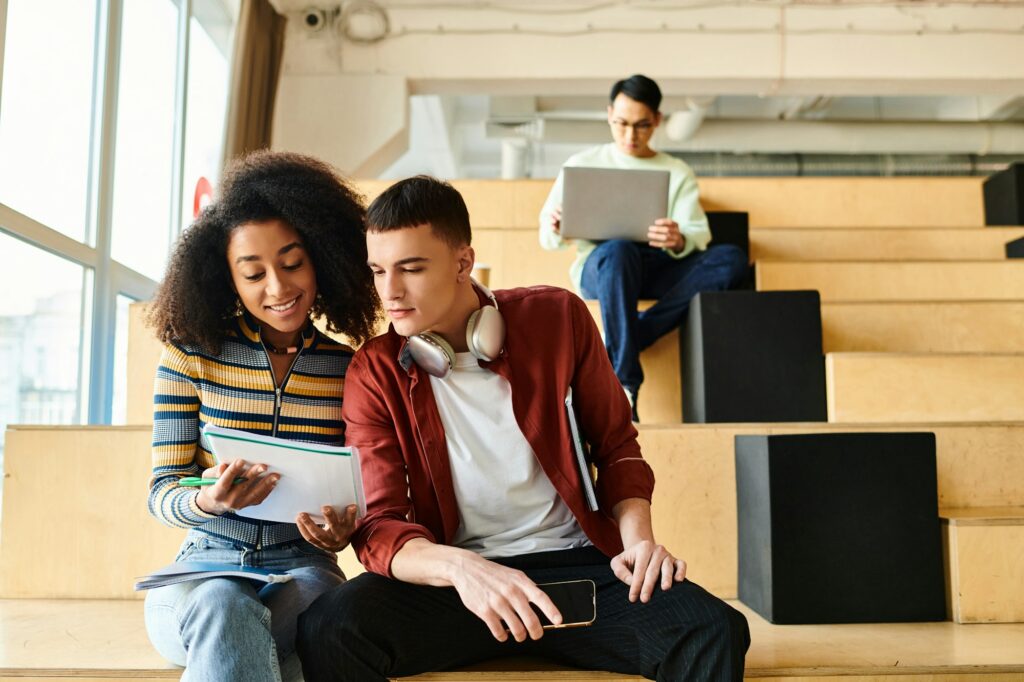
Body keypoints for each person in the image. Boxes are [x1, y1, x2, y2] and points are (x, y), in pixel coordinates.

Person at [296, 176, 749, 681]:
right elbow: (379, 524)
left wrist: (639, 544)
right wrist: (461, 569)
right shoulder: (375, 370)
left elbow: (618, 446)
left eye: (411, 268)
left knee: (712, 627)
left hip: (580, 568)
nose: (390, 292)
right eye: (378, 271)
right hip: (458, 585)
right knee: (330, 627)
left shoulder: (559, 317)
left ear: (463, 262)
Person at [143, 150, 380, 682]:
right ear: (228, 280)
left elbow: (359, 495)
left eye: (293, 263)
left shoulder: (350, 369)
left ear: (321, 256)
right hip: (202, 570)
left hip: (303, 571)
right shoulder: (189, 355)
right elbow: (161, 492)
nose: (278, 288)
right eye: (253, 274)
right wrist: (207, 500)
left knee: (284, 624)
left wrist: (339, 532)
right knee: (227, 608)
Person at [539, 74, 748, 419]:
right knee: (619, 249)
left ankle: (632, 335)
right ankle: (625, 384)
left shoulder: (676, 171)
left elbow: (699, 233)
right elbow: (546, 237)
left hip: (657, 265)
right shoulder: (581, 163)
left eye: (641, 126)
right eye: (621, 124)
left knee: (731, 259)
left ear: (658, 121)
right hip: (603, 265)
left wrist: (679, 238)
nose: (630, 136)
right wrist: (559, 227)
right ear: (609, 115)